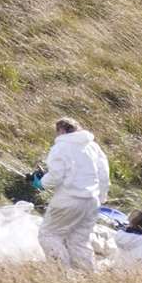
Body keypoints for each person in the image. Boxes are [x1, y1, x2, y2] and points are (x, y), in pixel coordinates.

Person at [33, 117, 110, 273]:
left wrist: (41, 183)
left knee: (49, 235)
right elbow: (103, 174)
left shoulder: (61, 147)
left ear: (61, 130)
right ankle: (89, 277)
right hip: (91, 201)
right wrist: (101, 197)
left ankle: (63, 275)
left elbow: (56, 176)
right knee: (79, 240)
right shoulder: (93, 146)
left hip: (68, 200)